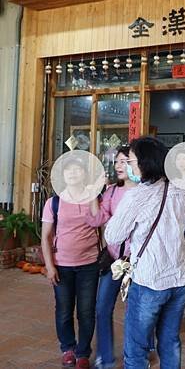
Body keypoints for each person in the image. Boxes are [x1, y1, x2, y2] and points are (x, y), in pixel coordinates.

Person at [105, 136, 185, 369]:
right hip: (180, 278)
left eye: (131, 160)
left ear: (145, 163)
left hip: (150, 279)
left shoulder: (136, 196)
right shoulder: (180, 187)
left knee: (136, 348)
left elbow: (112, 236)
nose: (129, 165)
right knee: (170, 341)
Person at [40, 157, 102, 369]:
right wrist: (50, 266)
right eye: (69, 171)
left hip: (90, 264)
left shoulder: (94, 197)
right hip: (62, 265)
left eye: (78, 170)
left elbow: (99, 222)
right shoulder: (54, 202)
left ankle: (83, 352)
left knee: (86, 310)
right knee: (64, 310)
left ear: (84, 174)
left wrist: (93, 196)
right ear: (62, 175)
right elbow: (46, 237)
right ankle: (68, 348)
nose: (73, 173)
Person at [90, 146, 140, 369]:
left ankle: (137, 353)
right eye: (118, 162)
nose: (119, 166)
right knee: (102, 307)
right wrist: (93, 193)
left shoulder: (144, 191)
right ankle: (105, 356)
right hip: (113, 260)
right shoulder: (111, 192)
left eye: (125, 161)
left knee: (136, 311)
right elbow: (97, 220)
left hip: (137, 261)